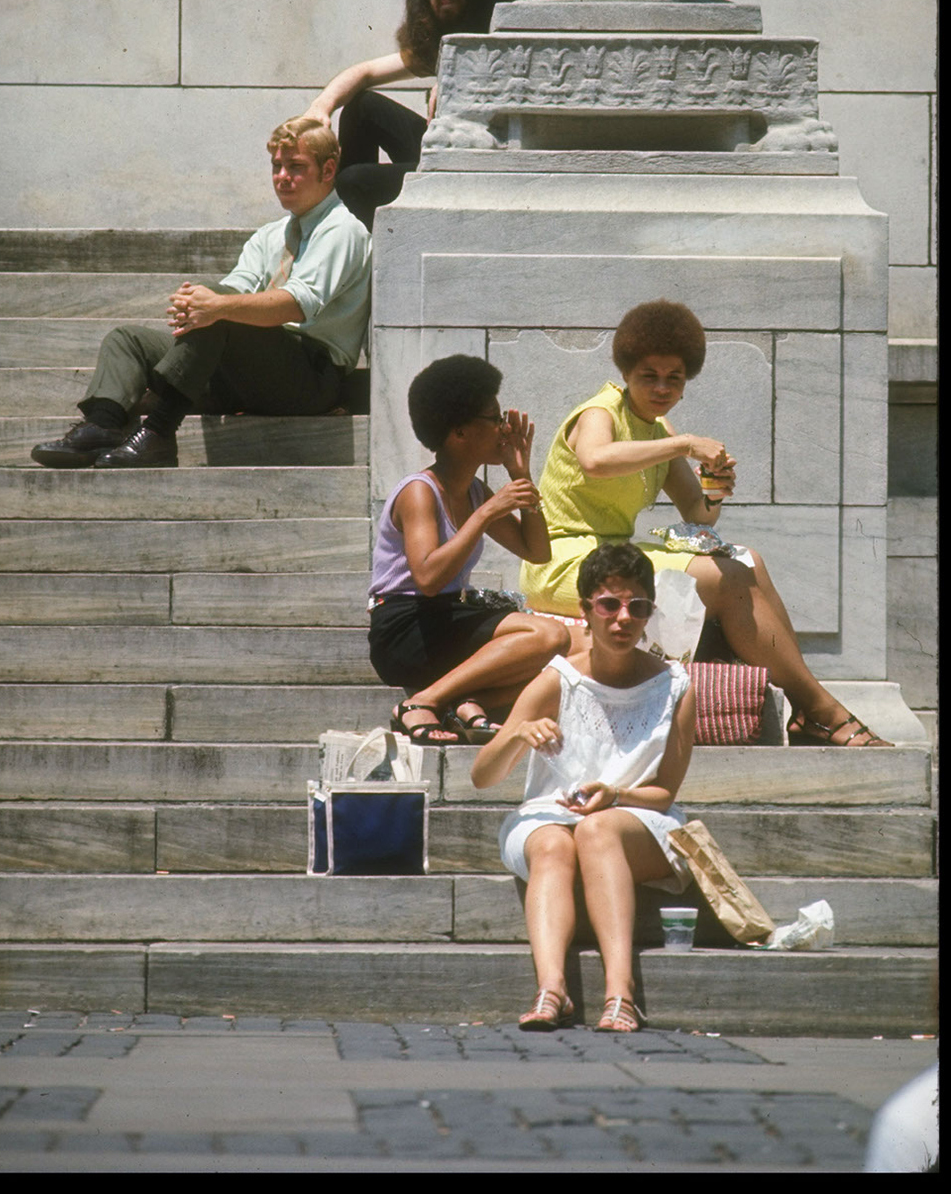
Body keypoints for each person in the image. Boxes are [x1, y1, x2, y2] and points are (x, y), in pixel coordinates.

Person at [519, 298, 891, 748]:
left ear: (686, 380)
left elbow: (698, 513)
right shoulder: (601, 412)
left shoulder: (658, 431)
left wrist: (714, 486)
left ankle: (808, 705)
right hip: (561, 561)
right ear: (626, 374)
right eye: (648, 377)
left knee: (747, 559)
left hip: (612, 556)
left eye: (673, 379)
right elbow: (596, 460)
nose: (661, 388)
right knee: (722, 576)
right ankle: (818, 708)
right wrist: (686, 444)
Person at [30, 117, 371, 469]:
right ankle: (103, 424)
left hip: (309, 378)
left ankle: (159, 432)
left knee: (220, 309)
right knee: (128, 339)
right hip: (250, 369)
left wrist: (215, 305)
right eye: (276, 166)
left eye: (296, 167)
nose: (282, 177)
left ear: (328, 170)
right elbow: (236, 288)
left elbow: (296, 304)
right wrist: (196, 303)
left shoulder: (342, 230)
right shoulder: (271, 234)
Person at [473, 542, 696, 1032]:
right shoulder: (559, 680)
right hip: (553, 814)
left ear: (649, 614)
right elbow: (482, 776)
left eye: (637, 607)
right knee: (553, 842)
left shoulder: (675, 685)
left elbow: (665, 794)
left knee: (598, 831)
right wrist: (515, 734)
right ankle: (552, 989)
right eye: (609, 605)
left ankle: (621, 993)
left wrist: (615, 795)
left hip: (638, 821)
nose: (623, 619)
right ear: (585, 611)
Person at [368, 354, 570, 745]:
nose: (505, 429)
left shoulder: (476, 490)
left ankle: (466, 702)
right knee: (548, 636)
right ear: (459, 433)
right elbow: (426, 578)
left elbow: (537, 551)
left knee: (572, 646)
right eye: (494, 420)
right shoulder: (419, 492)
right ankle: (421, 703)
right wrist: (487, 513)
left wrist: (521, 478)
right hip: (404, 627)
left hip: (443, 618)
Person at [303, 0, 515, 229]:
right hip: (440, 150)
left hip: (474, 166)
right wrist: (321, 108)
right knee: (362, 106)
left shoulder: (502, 38)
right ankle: (348, 235)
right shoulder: (436, 46)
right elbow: (364, 72)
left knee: (355, 181)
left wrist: (457, 83)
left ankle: (353, 238)